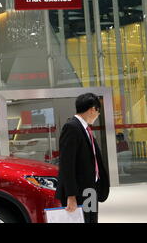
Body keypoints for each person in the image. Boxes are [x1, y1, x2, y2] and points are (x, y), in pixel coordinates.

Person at [55, 93, 110, 223]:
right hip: (79, 192)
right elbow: (67, 165)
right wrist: (71, 195)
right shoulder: (72, 127)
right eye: (98, 111)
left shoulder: (85, 128)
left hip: (90, 188)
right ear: (92, 109)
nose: (98, 115)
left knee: (91, 220)